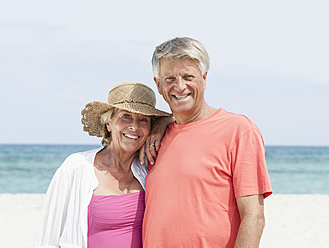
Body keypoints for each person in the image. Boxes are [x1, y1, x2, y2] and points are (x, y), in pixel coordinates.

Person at [141, 37, 273, 248]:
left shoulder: (238, 130)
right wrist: (161, 122)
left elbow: (254, 217)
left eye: (188, 76)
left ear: (204, 78)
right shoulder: (152, 137)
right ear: (157, 84)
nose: (180, 86)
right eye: (170, 79)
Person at [35, 82, 170, 248]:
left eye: (144, 120)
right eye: (125, 116)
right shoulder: (76, 167)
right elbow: (48, 238)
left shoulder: (148, 169)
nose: (134, 126)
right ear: (109, 123)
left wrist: (164, 123)